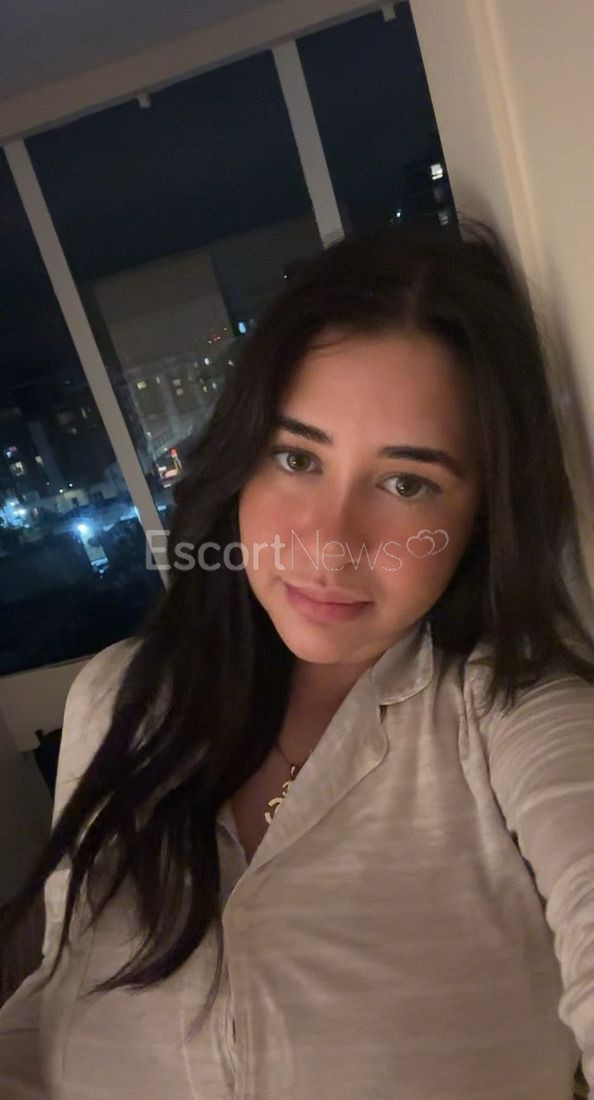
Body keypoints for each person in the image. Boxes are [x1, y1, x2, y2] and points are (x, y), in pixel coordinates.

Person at [1, 221, 593, 1100]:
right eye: (296, 457)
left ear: (481, 518)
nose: (328, 542)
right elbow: (57, 1001)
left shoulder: (515, 719)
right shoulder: (123, 697)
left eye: (406, 483)